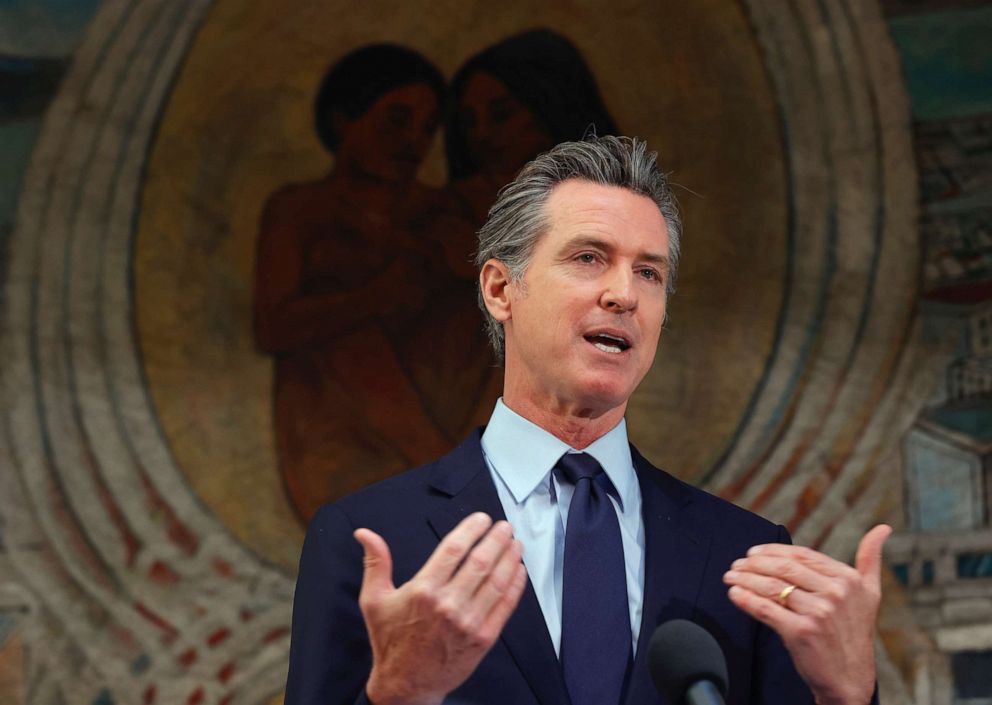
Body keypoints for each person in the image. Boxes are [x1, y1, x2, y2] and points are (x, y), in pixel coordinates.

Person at [284, 136, 888, 705]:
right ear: (500, 289)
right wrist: (398, 694)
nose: (624, 293)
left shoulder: (748, 554)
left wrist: (848, 695)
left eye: (649, 273)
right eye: (589, 257)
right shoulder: (372, 540)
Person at [254, 44, 462, 519]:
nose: (413, 141)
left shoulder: (437, 212)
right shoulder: (299, 209)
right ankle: (446, 468)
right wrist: (378, 295)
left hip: (441, 412)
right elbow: (272, 326)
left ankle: (454, 468)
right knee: (348, 329)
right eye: (396, 119)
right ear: (343, 120)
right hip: (336, 444)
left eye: (427, 128)